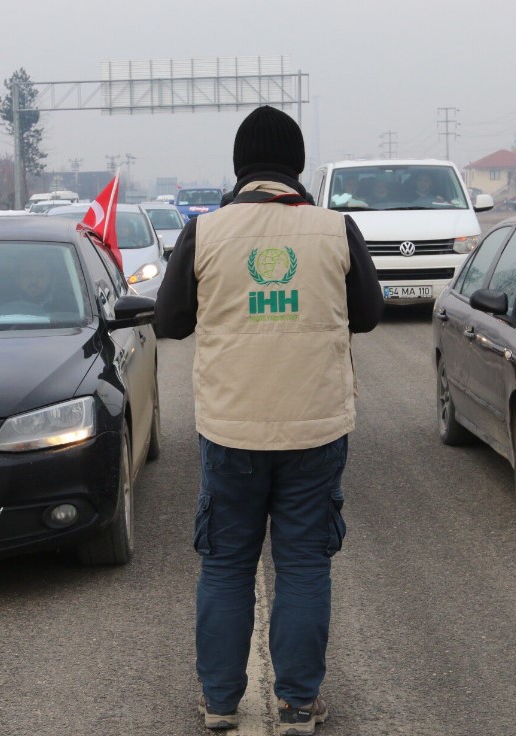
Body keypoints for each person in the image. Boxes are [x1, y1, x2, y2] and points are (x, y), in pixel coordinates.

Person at [156, 105, 384, 735]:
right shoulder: (335, 229)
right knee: (304, 565)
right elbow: (368, 315)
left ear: (239, 167)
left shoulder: (205, 233)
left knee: (227, 564)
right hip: (316, 428)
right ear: (297, 166)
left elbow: (170, 321)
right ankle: (298, 705)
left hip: (231, 429)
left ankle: (220, 703)